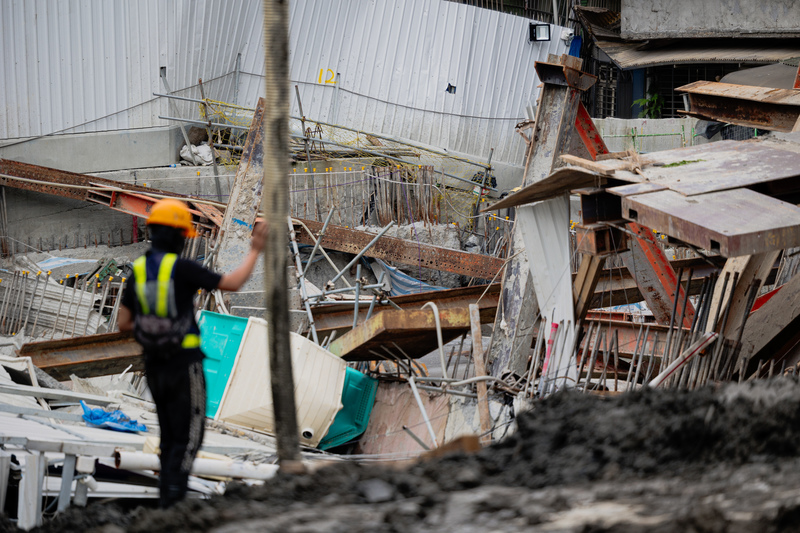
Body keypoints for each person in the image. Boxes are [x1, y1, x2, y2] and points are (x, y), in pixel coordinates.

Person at [118, 198, 267, 508]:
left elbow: (124, 323)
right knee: (189, 439)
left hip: (154, 367)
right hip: (184, 366)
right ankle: (173, 509)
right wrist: (255, 249)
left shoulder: (139, 270)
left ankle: (164, 505)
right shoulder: (183, 268)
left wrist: (156, 331)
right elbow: (232, 283)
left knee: (170, 438)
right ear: (177, 235)